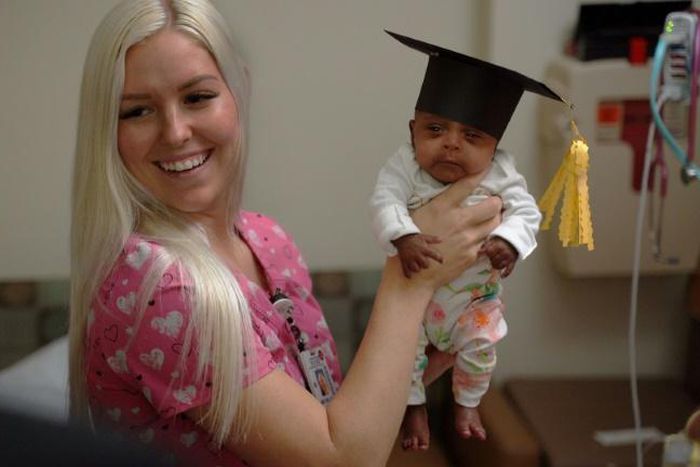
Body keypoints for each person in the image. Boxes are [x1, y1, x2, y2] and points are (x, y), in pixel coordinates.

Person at [67, 1, 502, 466]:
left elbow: (322, 421)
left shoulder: (265, 240)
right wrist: (410, 280)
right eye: (137, 111)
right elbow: (341, 460)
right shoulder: (156, 287)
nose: (175, 133)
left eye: (197, 98)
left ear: (240, 91)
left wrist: (421, 356)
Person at [370, 31, 565, 450]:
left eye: (472, 137)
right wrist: (404, 236)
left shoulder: (501, 173)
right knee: (404, 353)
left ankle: (467, 402)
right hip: (416, 299)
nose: (451, 144)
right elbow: (385, 201)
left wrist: (510, 242)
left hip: (474, 302)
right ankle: (414, 407)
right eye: (435, 129)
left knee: (482, 343)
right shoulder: (404, 166)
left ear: (494, 147)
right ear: (413, 130)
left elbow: (528, 213)